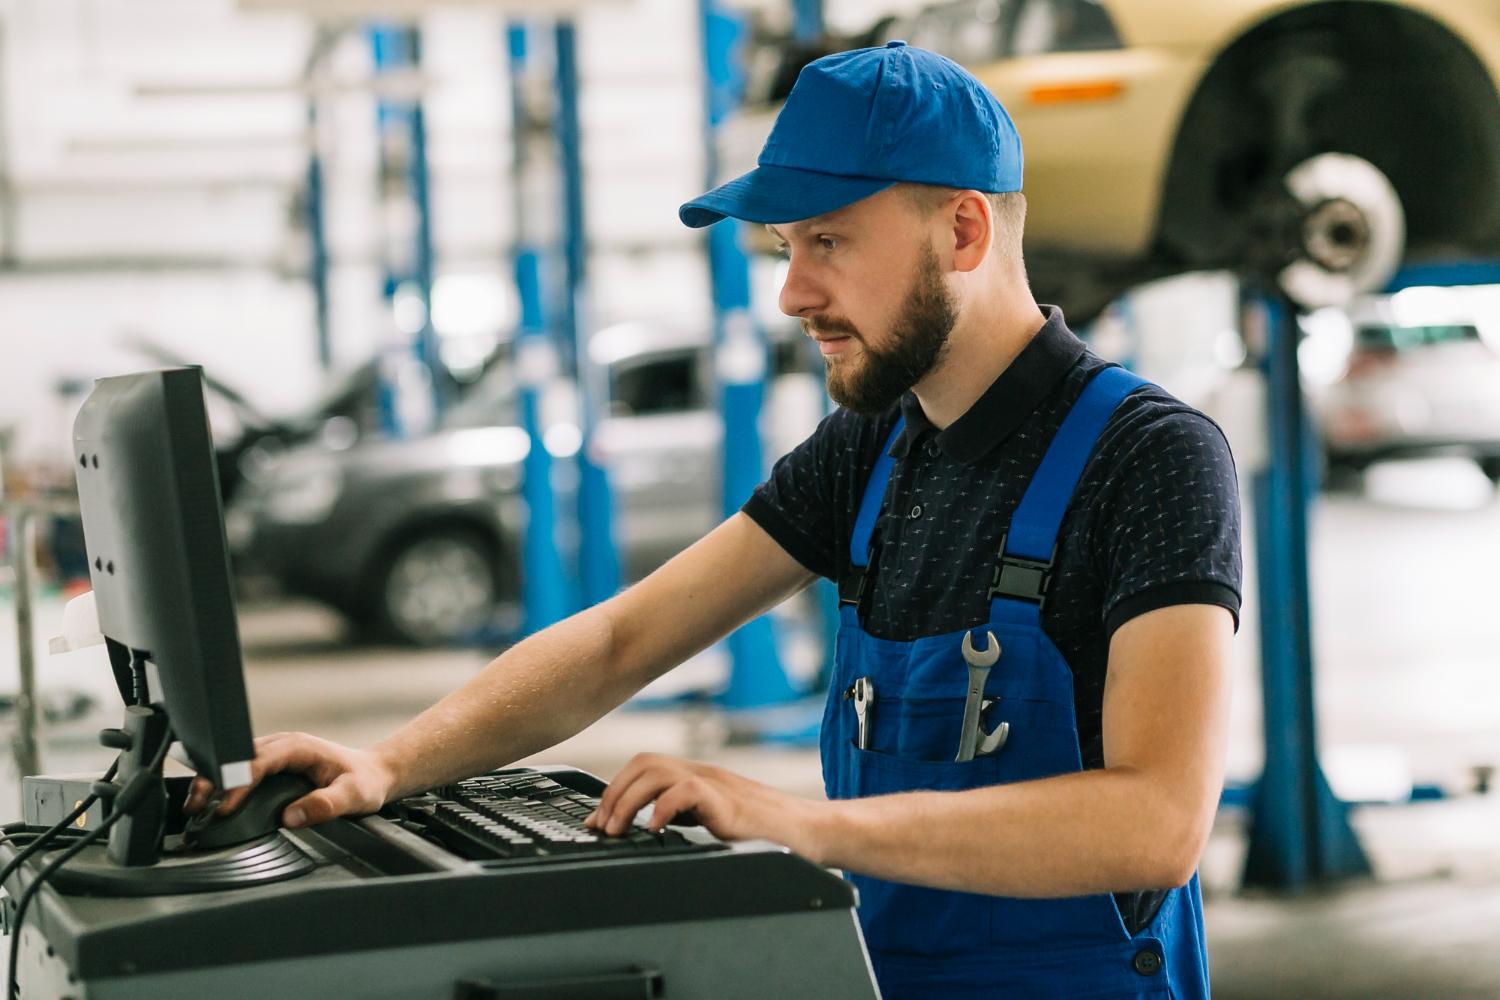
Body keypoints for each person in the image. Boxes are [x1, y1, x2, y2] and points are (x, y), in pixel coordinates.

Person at [189, 42, 1240, 999]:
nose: (793, 292)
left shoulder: (1149, 456)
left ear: (963, 229)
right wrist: (389, 764)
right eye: (787, 245)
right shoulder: (872, 450)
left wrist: (801, 824)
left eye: (828, 240)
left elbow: (1156, 821)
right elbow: (621, 639)